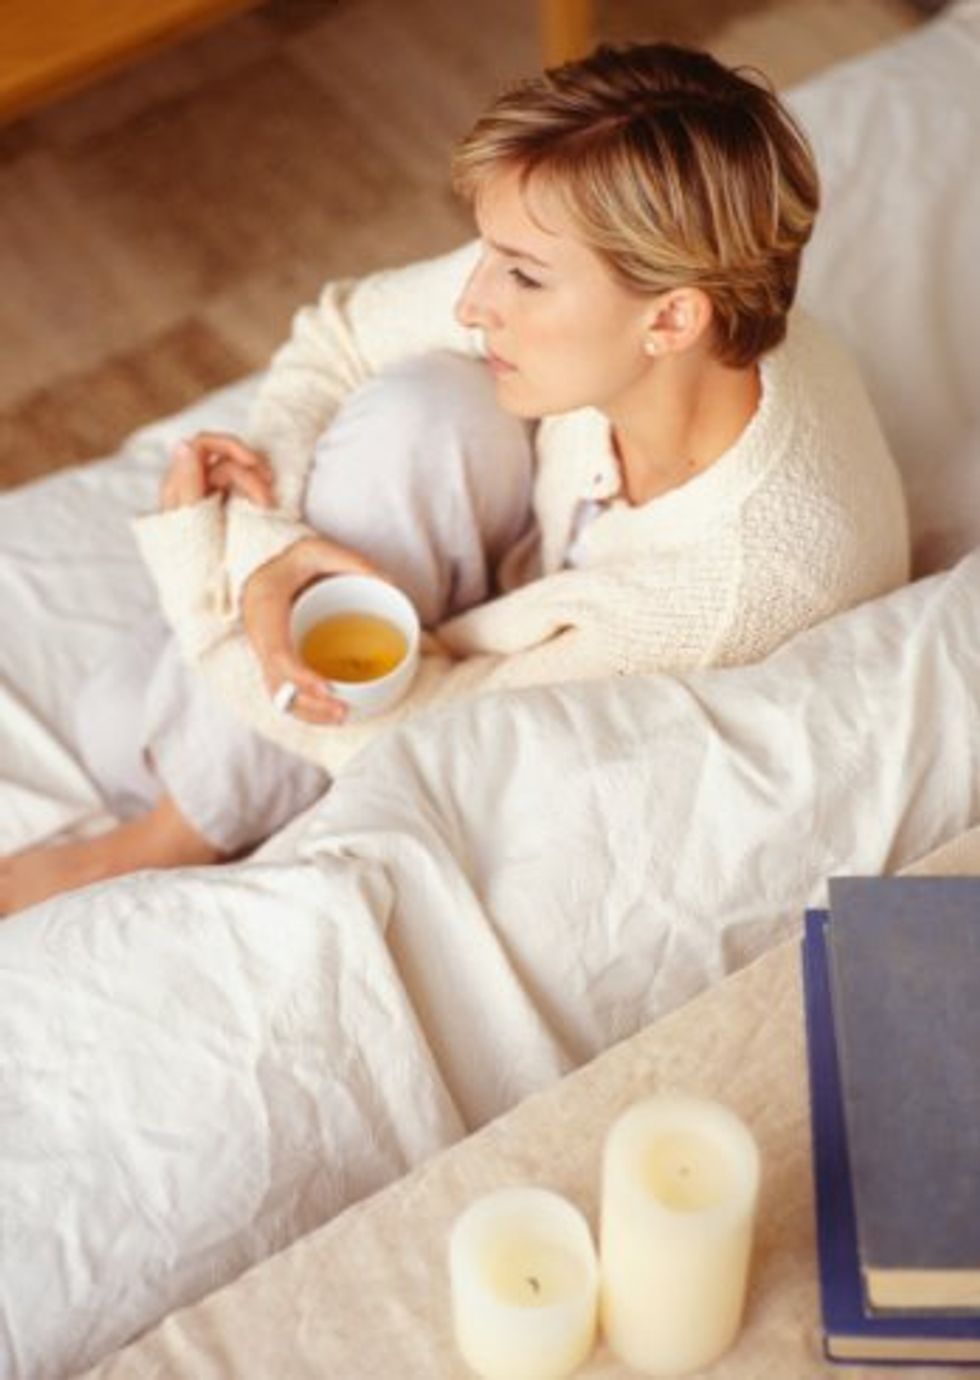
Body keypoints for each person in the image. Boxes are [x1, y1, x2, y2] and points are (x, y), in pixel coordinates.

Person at [0, 41, 910, 916]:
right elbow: (339, 332)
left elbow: (437, 738)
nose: (476, 303)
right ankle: (189, 782)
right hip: (498, 602)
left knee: (131, 719)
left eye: (518, 275)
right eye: (487, 257)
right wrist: (277, 554)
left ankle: (161, 838)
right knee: (433, 403)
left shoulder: (731, 589)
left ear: (671, 319)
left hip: (553, 750)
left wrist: (206, 574)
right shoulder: (654, 300)